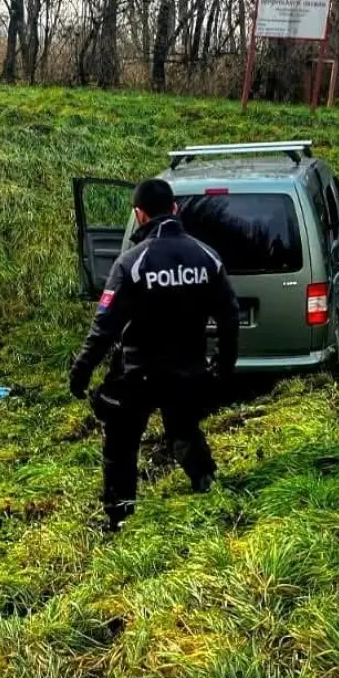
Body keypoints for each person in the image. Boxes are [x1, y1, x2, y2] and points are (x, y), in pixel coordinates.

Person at [69, 179, 241, 532]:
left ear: (138, 214)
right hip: (188, 368)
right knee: (184, 430)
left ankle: (119, 518)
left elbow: (105, 326)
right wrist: (223, 365)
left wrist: (81, 370)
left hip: (139, 373)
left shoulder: (131, 263)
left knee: (120, 444)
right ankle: (206, 486)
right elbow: (229, 316)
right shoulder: (206, 256)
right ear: (175, 209)